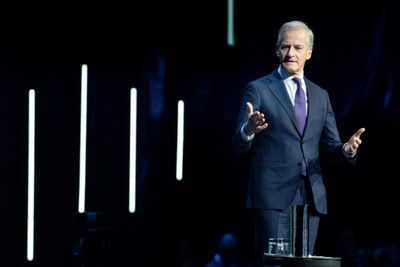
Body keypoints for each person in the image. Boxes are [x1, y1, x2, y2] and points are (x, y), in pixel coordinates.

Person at [231, 20, 365, 266]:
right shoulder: (259, 89)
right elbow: (237, 145)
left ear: (309, 53)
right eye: (285, 47)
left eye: (297, 47)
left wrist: (346, 150)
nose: (290, 53)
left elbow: (331, 147)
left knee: (304, 263)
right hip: (272, 195)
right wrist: (248, 130)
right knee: (272, 264)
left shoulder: (320, 95)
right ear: (276, 50)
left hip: (310, 196)